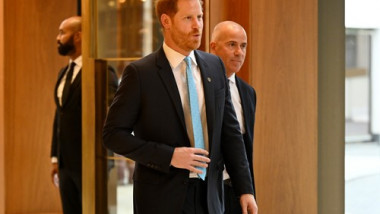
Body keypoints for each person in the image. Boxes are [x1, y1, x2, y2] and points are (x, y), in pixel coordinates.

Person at [102, 0, 258, 213]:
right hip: (161, 199)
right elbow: (113, 135)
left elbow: (230, 133)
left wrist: (245, 189)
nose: (198, 26)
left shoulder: (214, 66)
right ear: (166, 21)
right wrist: (170, 156)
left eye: (200, 17)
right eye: (188, 18)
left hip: (210, 198)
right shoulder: (140, 74)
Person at [50, 16, 118, 214]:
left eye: (63, 33)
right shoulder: (63, 73)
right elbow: (59, 117)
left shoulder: (102, 71)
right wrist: (55, 157)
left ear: (78, 36)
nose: (58, 38)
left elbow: (112, 115)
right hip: (65, 165)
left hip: (92, 162)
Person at [210, 21, 257, 214]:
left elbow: (244, 146)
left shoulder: (248, 92)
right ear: (213, 47)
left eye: (243, 46)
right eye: (232, 45)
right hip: (207, 188)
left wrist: (247, 190)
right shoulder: (200, 87)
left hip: (235, 190)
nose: (239, 52)